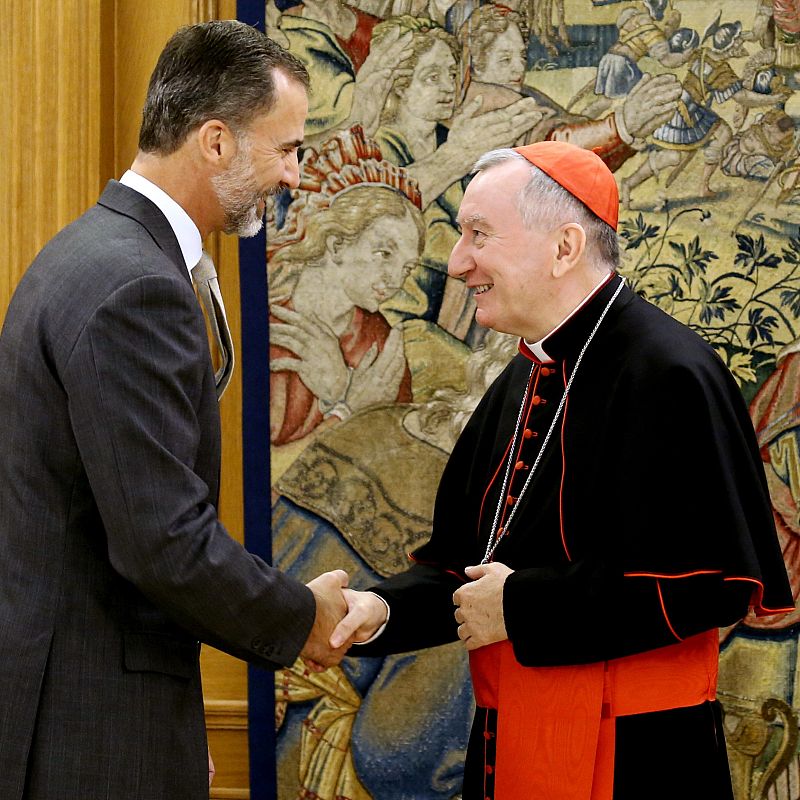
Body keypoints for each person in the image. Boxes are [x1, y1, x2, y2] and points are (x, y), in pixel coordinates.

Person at [329, 140, 795, 799]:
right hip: (508, 745)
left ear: (565, 246)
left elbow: (709, 585)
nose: (458, 263)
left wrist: (520, 605)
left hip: (638, 759)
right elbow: (462, 575)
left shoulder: (670, 373)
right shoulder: (524, 376)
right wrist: (376, 610)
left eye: (478, 235)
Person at [0, 20, 354, 800]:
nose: (294, 174)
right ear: (217, 142)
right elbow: (161, 540)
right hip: (89, 724)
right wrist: (302, 617)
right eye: (287, 147)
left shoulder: (94, 253)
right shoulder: (138, 285)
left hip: (85, 705)